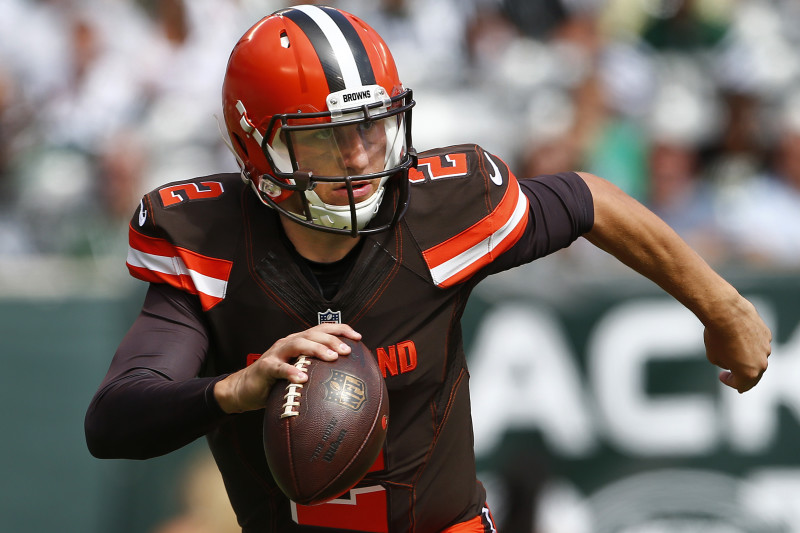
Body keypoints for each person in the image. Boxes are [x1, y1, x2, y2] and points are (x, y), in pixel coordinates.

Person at [85, 5, 771, 533]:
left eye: (369, 127)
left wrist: (726, 308)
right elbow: (115, 419)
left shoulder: (442, 208)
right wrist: (235, 389)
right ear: (256, 146)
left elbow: (589, 199)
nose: (358, 157)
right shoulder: (207, 240)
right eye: (325, 138)